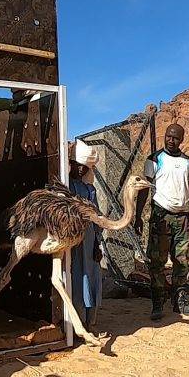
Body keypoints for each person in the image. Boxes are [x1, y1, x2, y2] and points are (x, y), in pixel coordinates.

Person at [135, 124, 189, 320]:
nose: (170, 140)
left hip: (182, 218)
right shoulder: (155, 159)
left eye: (175, 138)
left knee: (181, 261)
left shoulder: (187, 162)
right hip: (161, 216)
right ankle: (158, 302)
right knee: (157, 261)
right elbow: (144, 188)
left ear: (181, 140)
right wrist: (138, 216)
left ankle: (179, 300)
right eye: (168, 136)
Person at [69, 140, 103, 332]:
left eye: (85, 167)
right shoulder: (66, 187)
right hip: (71, 240)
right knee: (75, 278)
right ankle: (76, 324)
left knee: (91, 277)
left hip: (89, 240)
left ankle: (91, 322)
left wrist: (97, 243)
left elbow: (96, 217)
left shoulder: (90, 190)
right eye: (78, 165)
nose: (81, 170)